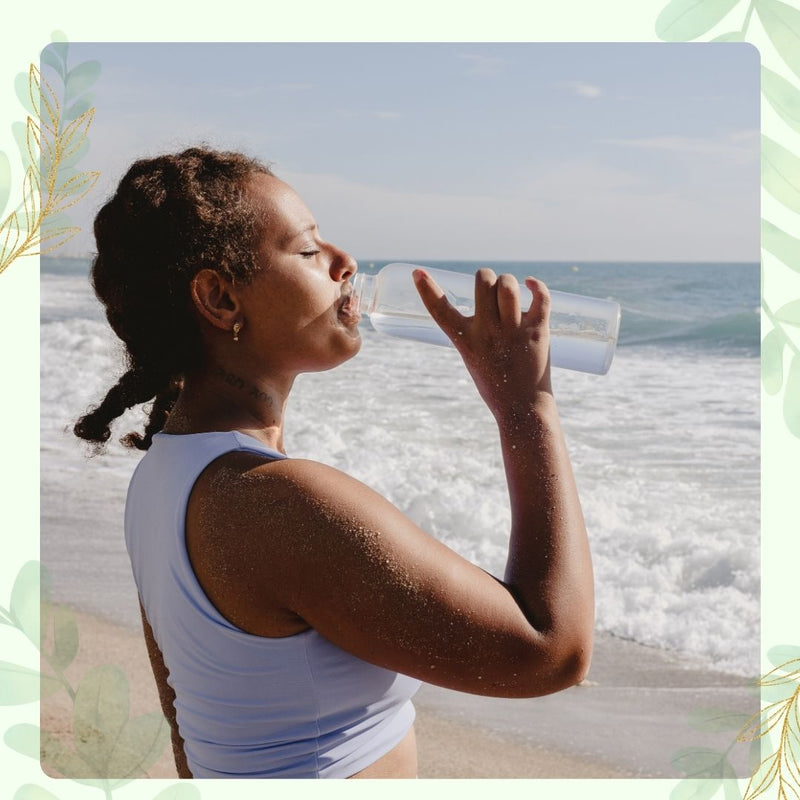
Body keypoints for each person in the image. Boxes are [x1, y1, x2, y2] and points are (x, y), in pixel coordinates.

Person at [74, 146, 594, 779]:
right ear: (219, 298)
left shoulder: (161, 478)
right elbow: (552, 651)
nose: (345, 262)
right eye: (307, 250)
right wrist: (523, 404)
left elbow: (189, 732)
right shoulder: (277, 502)